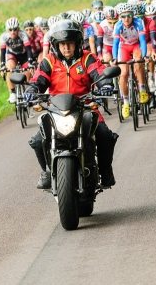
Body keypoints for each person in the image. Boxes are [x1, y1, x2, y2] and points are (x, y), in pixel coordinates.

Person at [24, 20, 118, 189]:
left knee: (105, 135)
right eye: (62, 44)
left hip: (85, 106)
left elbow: (99, 74)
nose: (66, 48)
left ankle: (105, 171)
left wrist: (106, 85)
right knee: (38, 141)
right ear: (56, 45)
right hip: (55, 109)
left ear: (77, 43)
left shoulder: (87, 58)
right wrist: (31, 89)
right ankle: (46, 172)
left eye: (70, 44)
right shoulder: (49, 61)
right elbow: (38, 80)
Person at [112, 3, 149, 119]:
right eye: (123, 16)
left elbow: (143, 41)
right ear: (120, 17)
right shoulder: (118, 26)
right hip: (124, 47)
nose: (126, 19)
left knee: (138, 64)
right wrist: (114, 58)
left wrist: (144, 55)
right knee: (123, 74)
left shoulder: (138, 22)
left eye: (128, 16)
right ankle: (126, 103)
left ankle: (142, 89)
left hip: (136, 45)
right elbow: (115, 44)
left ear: (133, 15)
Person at [0, 17, 35, 103]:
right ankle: (12, 93)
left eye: (15, 29)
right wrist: (2, 65)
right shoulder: (3, 36)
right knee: (9, 68)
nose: (13, 32)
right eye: (10, 30)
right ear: (7, 30)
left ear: (18, 29)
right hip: (12, 55)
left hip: (24, 55)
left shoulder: (23, 35)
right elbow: (3, 52)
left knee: (28, 73)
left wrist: (30, 63)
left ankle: (27, 92)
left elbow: (29, 50)